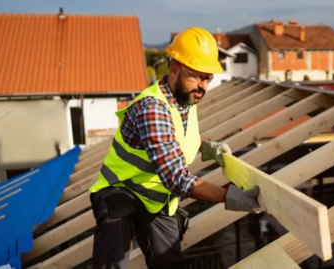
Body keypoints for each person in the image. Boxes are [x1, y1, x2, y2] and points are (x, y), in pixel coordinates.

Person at [87, 27, 262, 269]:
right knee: (113, 255)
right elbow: (178, 179)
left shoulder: (185, 97)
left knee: (169, 262)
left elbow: (180, 134)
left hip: (155, 197)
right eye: (197, 76)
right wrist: (228, 195)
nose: (203, 85)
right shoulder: (153, 109)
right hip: (120, 190)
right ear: (174, 69)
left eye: (207, 77)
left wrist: (206, 147)